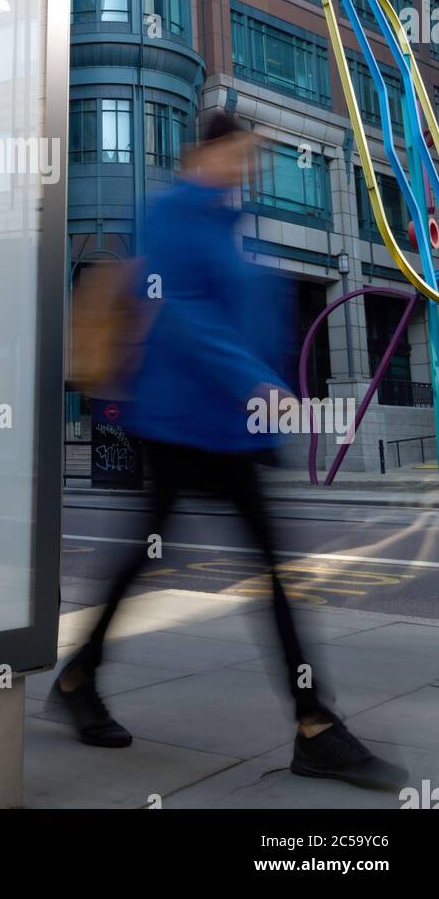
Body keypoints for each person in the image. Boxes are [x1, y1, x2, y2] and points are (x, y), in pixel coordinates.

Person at [53, 111, 406, 790]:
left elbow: (239, 317)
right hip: (184, 422)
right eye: (240, 157)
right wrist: (257, 385)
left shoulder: (225, 223)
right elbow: (180, 311)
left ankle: (79, 676)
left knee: (159, 557)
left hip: (228, 426)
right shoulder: (170, 213)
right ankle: (314, 726)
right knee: (266, 567)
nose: (247, 172)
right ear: (206, 152)